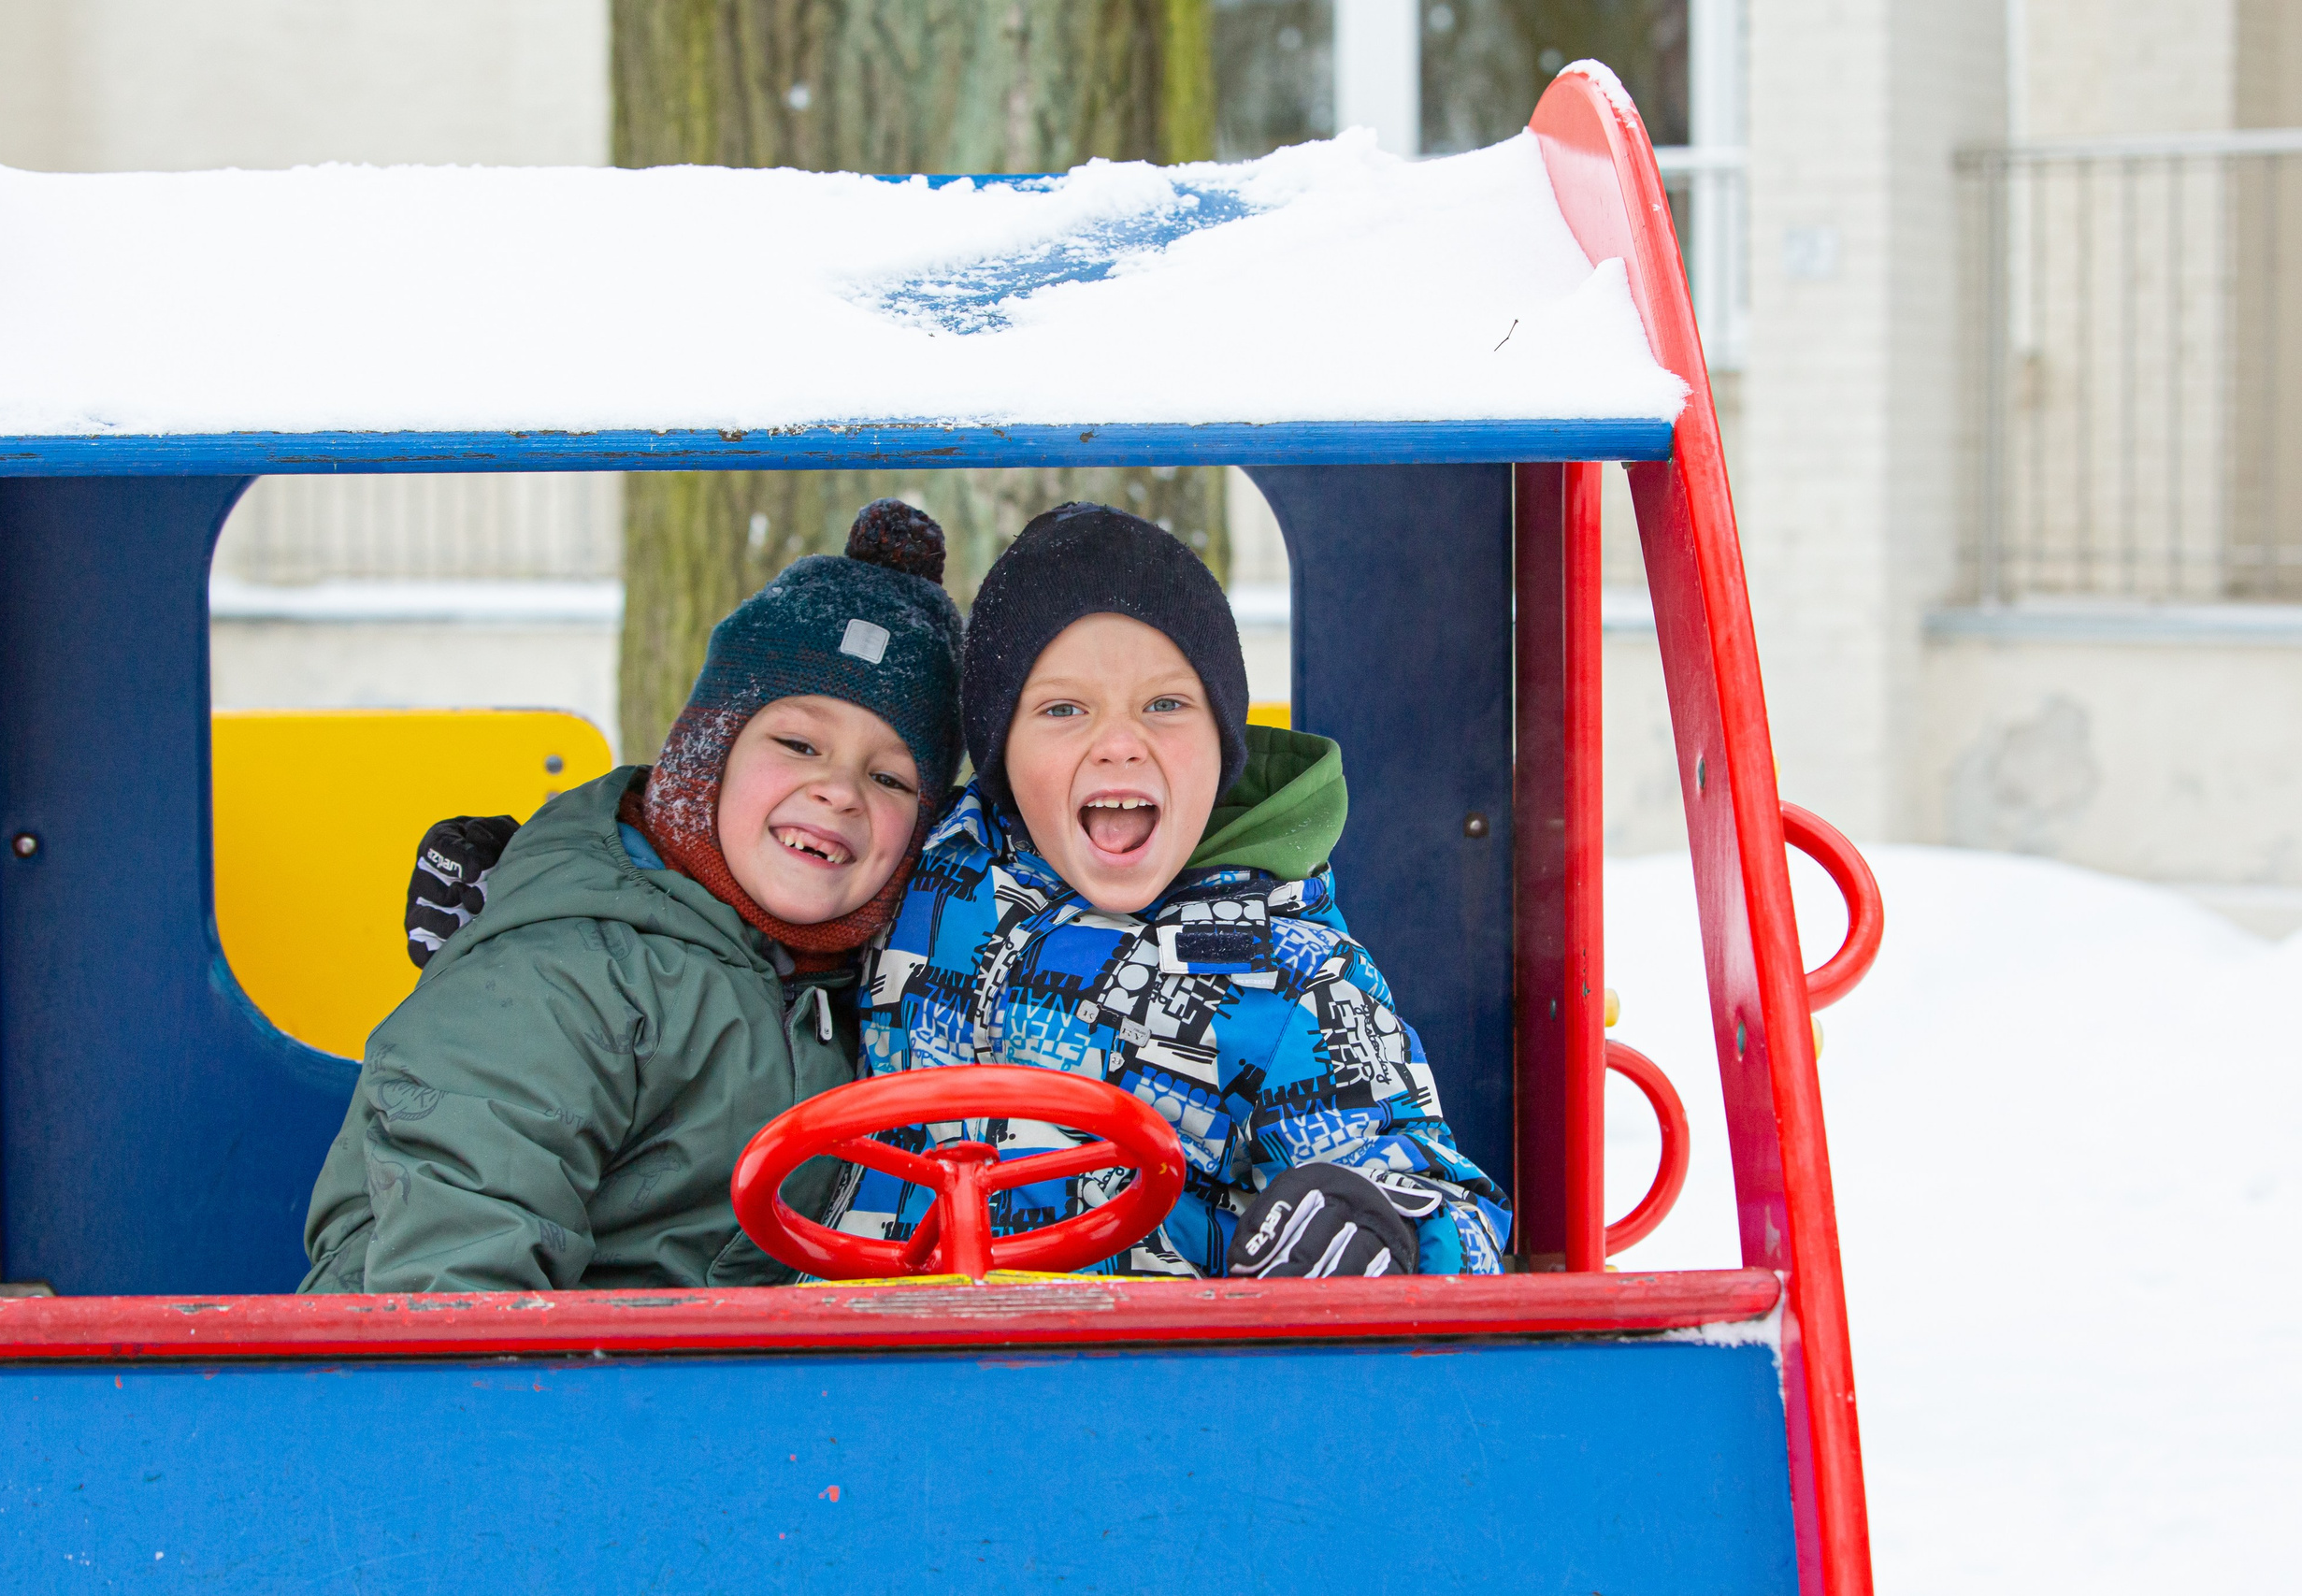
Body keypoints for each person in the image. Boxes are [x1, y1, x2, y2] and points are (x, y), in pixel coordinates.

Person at [298, 501, 964, 1293]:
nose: (838, 791)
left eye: (889, 777)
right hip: (440, 1373)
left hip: (679, 1380)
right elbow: (458, 1254)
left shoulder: (862, 987)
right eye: (798, 743)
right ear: (709, 752)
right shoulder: (567, 970)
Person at [841, 502, 1512, 1278]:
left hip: (1136, 1375)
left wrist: (1383, 1233)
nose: (1120, 744)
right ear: (1001, 754)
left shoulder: (1291, 976)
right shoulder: (929, 864)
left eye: (1166, 705)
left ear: (1222, 744)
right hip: (868, 1346)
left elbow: (1429, 1188)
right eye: (1063, 709)